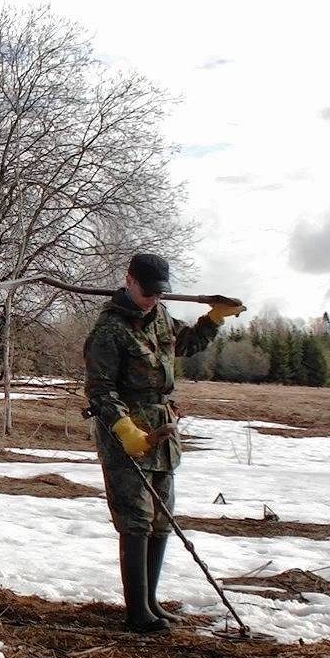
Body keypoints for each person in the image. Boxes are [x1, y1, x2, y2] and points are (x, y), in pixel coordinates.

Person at [83, 253, 243, 634]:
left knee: (159, 520)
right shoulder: (109, 330)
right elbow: (99, 389)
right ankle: (137, 612)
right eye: (148, 291)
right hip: (126, 435)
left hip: (164, 432)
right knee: (135, 520)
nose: (154, 298)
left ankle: (151, 602)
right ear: (129, 281)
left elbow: (185, 344)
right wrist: (125, 430)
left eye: (159, 293)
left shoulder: (161, 318)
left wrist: (214, 319)